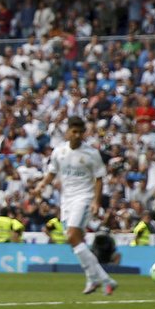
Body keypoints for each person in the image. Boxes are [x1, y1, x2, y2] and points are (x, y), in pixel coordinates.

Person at [32, 116, 118, 295]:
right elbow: (52, 173)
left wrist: (96, 201)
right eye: (74, 131)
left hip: (83, 198)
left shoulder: (91, 154)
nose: (77, 135)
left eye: (81, 132)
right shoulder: (59, 152)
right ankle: (97, 279)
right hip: (67, 201)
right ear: (68, 132)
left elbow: (99, 178)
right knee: (76, 242)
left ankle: (103, 279)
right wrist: (41, 185)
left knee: (72, 235)